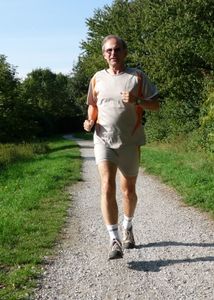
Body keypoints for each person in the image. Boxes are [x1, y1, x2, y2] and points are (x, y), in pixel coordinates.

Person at [83, 35, 159, 260]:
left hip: (130, 141)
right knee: (106, 185)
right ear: (103, 54)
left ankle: (127, 226)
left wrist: (137, 100)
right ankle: (114, 238)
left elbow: (155, 105)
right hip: (103, 139)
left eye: (116, 50)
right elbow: (92, 105)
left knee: (129, 191)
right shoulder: (97, 78)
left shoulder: (137, 76)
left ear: (125, 52)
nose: (112, 54)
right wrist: (89, 121)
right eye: (108, 51)